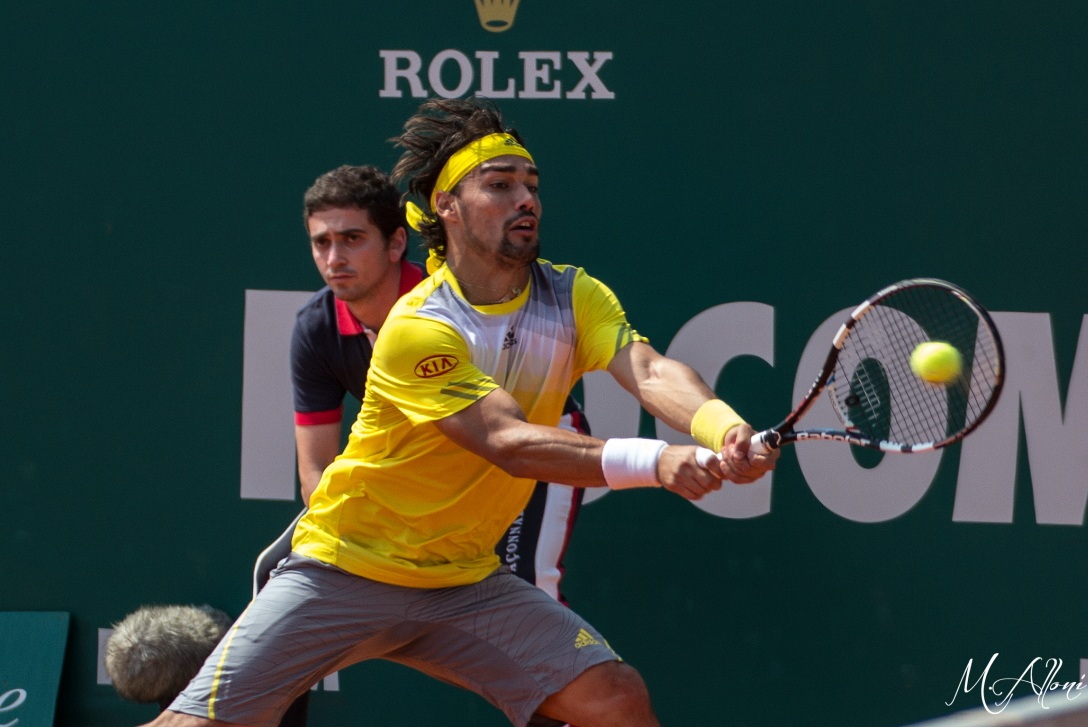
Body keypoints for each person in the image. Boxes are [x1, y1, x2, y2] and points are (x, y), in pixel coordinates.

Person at [145, 97, 777, 727]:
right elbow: (507, 440)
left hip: (463, 582)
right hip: (346, 567)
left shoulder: (573, 294)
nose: (525, 199)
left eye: (530, 185)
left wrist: (724, 427)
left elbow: (649, 370)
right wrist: (660, 461)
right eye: (499, 185)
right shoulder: (419, 324)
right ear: (446, 206)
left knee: (614, 698)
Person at [252, 164, 592, 726]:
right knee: (279, 572)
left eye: (353, 239)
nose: (335, 257)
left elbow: (503, 432)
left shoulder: (449, 301)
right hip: (421, 479)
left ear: (396, 245)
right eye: (322, 242)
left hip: (524, 453)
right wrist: (354, 547)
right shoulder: (317, 328)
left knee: (528, 600)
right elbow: (317, 473)